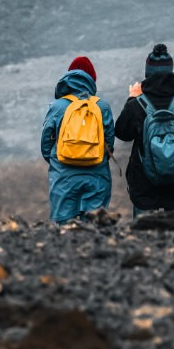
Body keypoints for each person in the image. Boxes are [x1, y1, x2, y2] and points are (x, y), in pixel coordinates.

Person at [115, 43, 174, 222]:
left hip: (145, 183)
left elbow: (122, 133)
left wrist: (132, 99)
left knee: (143, 232)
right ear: (171, 71)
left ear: (147, 73)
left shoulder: (136, 105)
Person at [40, 56, 115, 224]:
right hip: (97, 175)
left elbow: (46, 143)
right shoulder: (102, 106)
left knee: (63, 226)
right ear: (92, 80)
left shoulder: (57, 106)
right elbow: (109, 143)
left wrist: (57, 160)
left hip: (63, 176)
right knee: (96, 225)